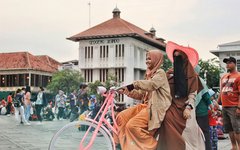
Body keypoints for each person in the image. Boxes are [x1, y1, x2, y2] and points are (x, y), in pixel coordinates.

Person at [116, 50, 172, 150]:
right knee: (121, 117)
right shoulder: (148, 75)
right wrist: (126, 91)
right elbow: (141, 95)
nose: (147, 61)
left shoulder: (160, 73)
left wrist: (134, 85)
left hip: (154, 108)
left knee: (132, 126)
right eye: (146, 59)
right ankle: (121, 146)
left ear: (156, 60)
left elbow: (152, 85)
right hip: (144, 106)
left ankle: (154, 146)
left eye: (149, 58)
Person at [157, 41, 205, 150]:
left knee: (190, 136)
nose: (176, 59)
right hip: (172, 109)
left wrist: (188, 108)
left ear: (185, 59)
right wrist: (165, 76)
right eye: (174, 57)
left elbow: (192, 94)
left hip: (186, 110)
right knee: (166, 123)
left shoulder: (193, 76)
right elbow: (161, 90)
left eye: (179, 56)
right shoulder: (169, 75)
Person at [218, 56, 240, 150]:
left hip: (234, 106)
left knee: (237, 128)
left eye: (230, 62)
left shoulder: (238, 76)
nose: (227, 64)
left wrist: (239, 107)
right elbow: (222, 90)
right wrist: (218, 103)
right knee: (229, 129)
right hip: (225, 106)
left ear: (235, 64)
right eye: (226, 63)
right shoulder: (223, 76)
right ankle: (234, 146)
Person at [194, 65, 215, 150]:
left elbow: (206, 95)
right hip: (194, 112)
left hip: (201, 112)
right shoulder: (192, 80)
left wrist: (212, 108)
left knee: (203, 133)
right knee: (199, 133)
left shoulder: (199, 80)